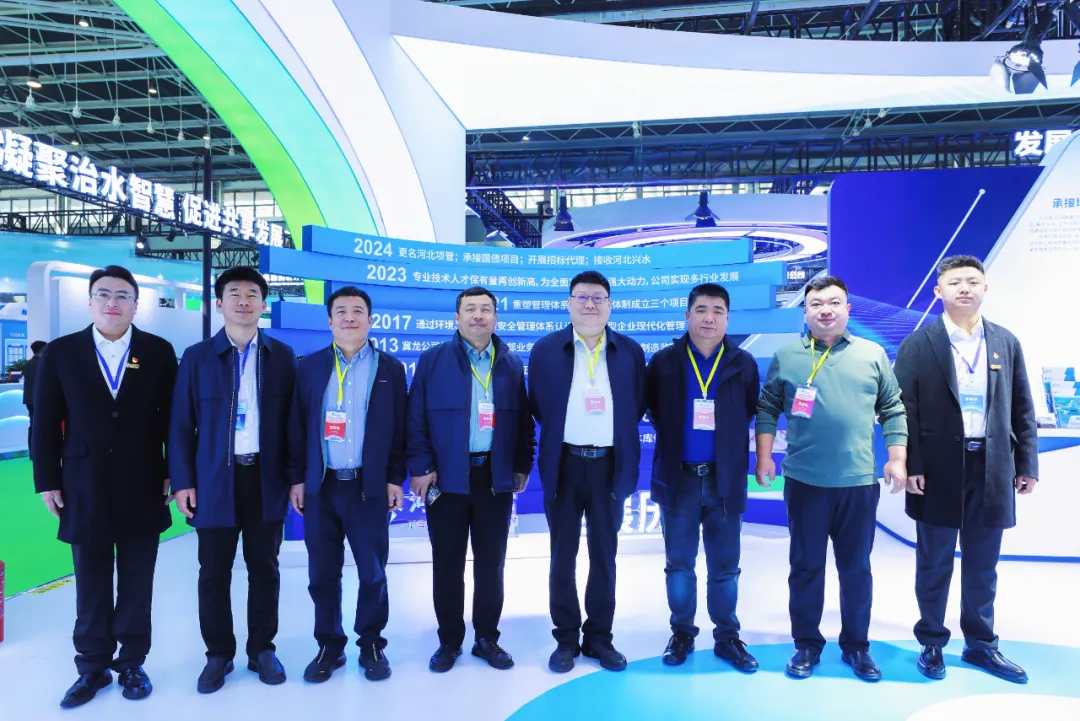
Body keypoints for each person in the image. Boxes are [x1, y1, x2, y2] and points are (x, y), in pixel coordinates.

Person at [31, 265, 176, 708]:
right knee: (90, 580)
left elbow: (172, 418)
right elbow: (44, 421)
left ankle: (131, 663)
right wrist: (46, 480)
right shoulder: (62, 352)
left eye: (122, 295)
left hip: (144, 480)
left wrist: (174, 470)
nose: (113, 302)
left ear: (136, 304)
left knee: (137, 579)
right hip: (83, 483)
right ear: (90, 301)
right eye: (104, 294)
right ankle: (91, 667)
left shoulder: (157, 351)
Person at [755, 275, 907, 683]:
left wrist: (896, 458)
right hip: (804, 482)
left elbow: (893, 408)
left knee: (856, 570)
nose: (825, 310)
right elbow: (767, 408)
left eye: (834, 303)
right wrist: (765, 457)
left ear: (847, 309)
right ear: (805, 311)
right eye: (816, 303)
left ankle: (857, 646)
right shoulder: (787, 356)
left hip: (858, 483)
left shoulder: (872, 354)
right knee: (805, 567)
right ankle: (806, 644)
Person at [893, 255, 1038, 684]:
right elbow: (904, 408)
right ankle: (932, 642)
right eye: (955, 282)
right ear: (938, 291)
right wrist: (912, 463)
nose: (964, 289)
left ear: (985, 288)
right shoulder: (919, 343)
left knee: (983, 564)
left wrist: (1026, 463)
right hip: (937, 470)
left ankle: (980, 645)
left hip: (991, 468)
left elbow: (1022, 407)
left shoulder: (1005, 341)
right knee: (934, 562)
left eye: (973, 281)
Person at [169, 267, 298, 694]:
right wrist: (183, 480)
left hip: (266, 479)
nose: (244, 301)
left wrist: (295, 478)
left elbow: (294, 425)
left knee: (265, 569)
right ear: (219, 302)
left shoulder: (282, 356)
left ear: (263, 303)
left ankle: (262, 649)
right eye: (234, 293)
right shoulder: (197, 357)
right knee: (213, 572)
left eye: (252, 294)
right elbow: (180, 423)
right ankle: (218, 653)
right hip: (213, 481)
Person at [407, 286, 536, 674]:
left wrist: (522, 465)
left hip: (494, 479)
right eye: (470, 309)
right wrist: (421, 466)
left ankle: (486, 638)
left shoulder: (510, 363)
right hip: (446, 480)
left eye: (485, 309)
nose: (478, 315)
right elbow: (415, 420)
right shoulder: (432, 361)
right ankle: (449, 641)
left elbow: (523, 421)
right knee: (447, 564)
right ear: (457, 317)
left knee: (491, 564)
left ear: (495, 317)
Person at [528, 270, 647, 674]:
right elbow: (538, 405)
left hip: (609, 466)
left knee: (604, 555)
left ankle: (599, 637)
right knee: (562, 556)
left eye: (598, 298)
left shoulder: (629, 352)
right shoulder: (546, 350)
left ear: (610, 305)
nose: (590, 304)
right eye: (582, 297)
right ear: (569, 303)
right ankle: (565, 638)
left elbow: (637, 406)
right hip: (564, 464)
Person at [289, 286, 407, 683]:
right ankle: (329, 644)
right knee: (323, 573)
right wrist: (297, 478)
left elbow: (400, 429)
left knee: (372, 572)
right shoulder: (310, 367)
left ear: (370, 320)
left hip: (367, 487)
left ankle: (371, 643)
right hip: (321, 487)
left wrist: (394, 478)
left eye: (358, 311)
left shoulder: (391, 369)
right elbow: (296, 427)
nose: (349, 317)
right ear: (330, 320)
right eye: (341, 311)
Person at [645, 283, 760, 671]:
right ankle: (682, 633)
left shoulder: (743, 364)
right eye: (701, 310)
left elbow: (748, 411)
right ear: (687, 315)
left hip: (724, 482)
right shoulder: (664, 362)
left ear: (727, 318)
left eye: (717, 311)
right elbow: (654, 411)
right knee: (679, 564)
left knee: (725, 567)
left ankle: (727, 637)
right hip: (678, 479)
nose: (709, 318)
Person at [23, 339, 46, 450]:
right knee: (44, 426)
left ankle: (33, 451)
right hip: (41, 400)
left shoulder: (28, 364)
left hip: (30, 400)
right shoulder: (44, 364)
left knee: (33, 425)